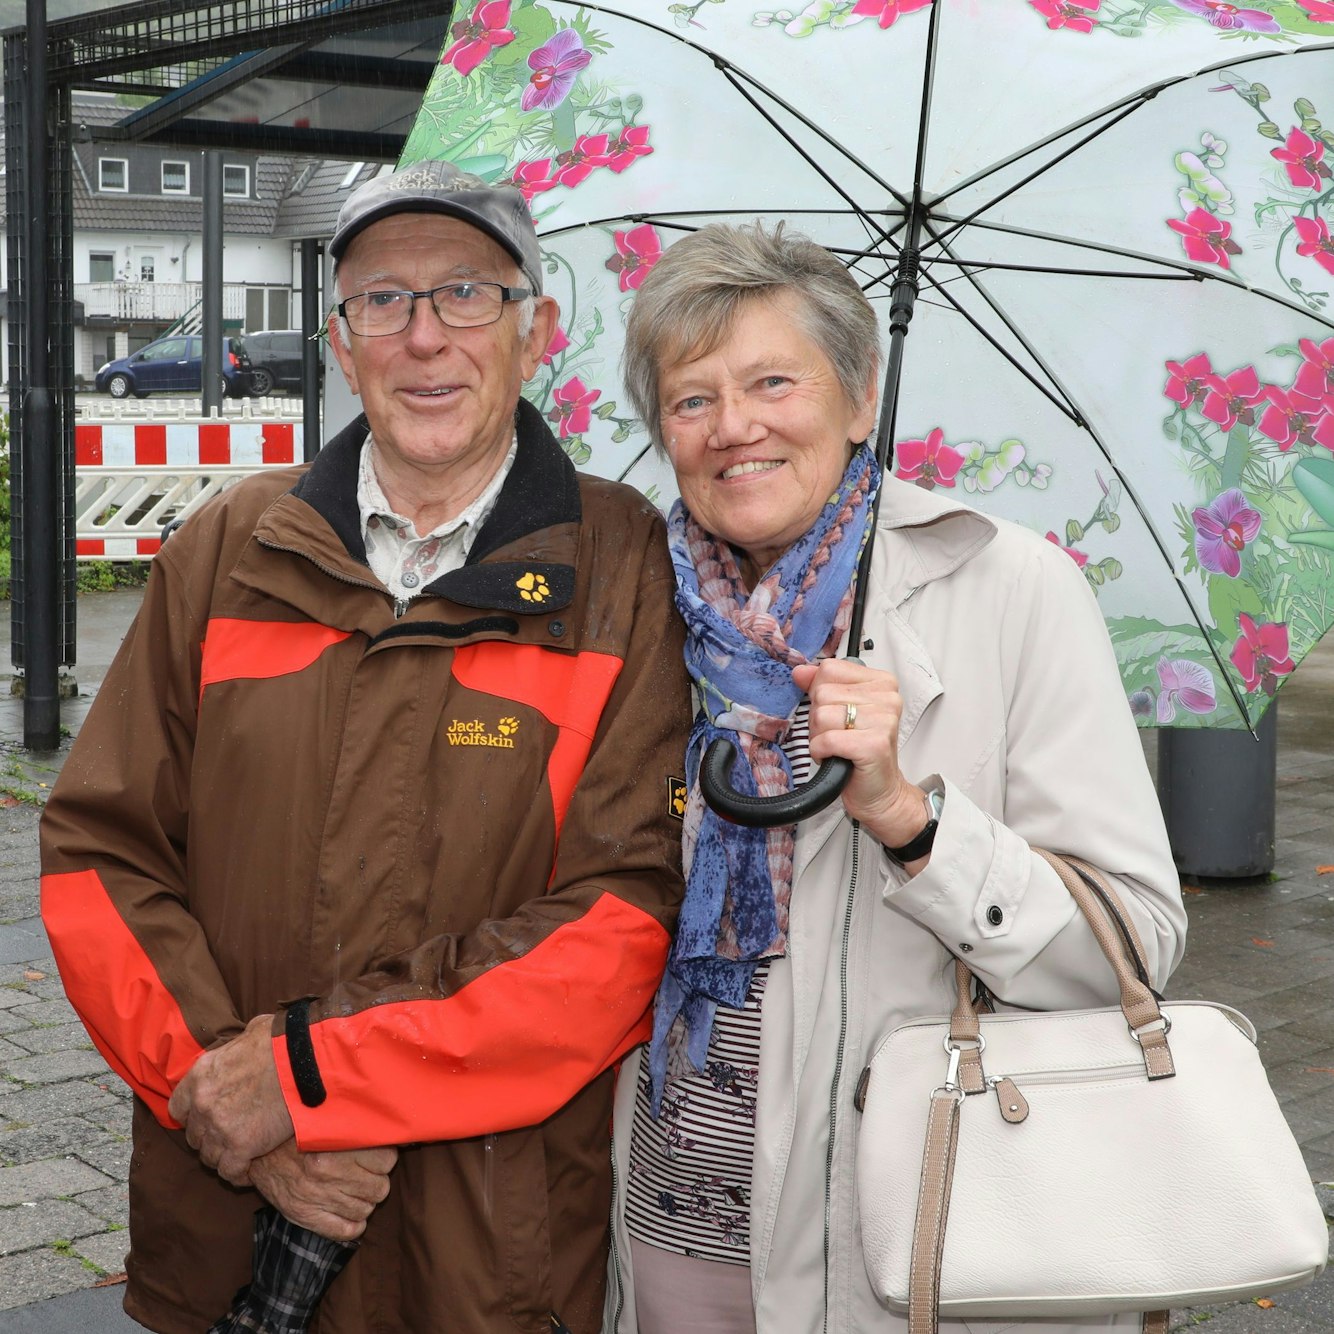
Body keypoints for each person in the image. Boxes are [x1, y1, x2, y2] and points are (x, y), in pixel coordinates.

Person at [39, 159, 691, 1334]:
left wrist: (307, 1079)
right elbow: (100, 853)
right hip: (228, 1228)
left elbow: (623, 924)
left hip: (487, 1252)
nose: (422, 335)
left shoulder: (619, 566)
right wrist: (228, 1098)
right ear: (341, 344)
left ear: (534, 331)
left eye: (467, 294)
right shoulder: (227, 547)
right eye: (382, 299)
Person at [603, 222, 1187, 1334]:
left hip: (910, 1234)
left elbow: (1136, 943)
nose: (733, 427)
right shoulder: (637, 604)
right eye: (691, 398)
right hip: (671, 1217)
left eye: (773, 382)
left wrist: (912, 819)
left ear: (860, 396)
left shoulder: (1013, 589)